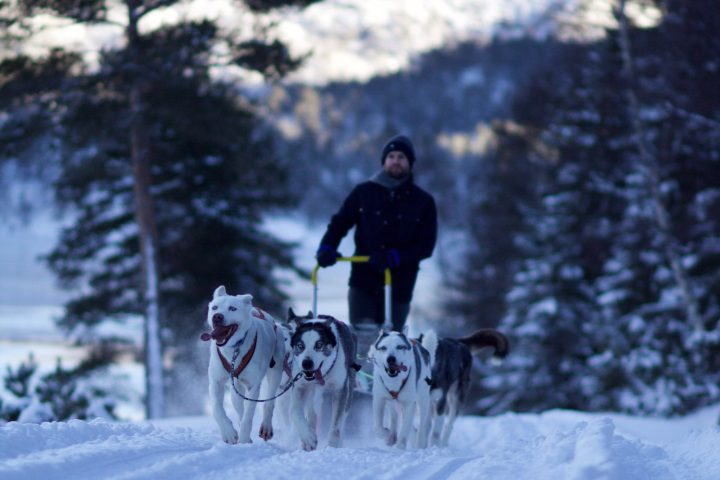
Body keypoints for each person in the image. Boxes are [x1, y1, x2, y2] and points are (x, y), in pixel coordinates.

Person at [315, 134, 437, 361]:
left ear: (410, 163)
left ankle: (388, 390)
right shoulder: (364, 193)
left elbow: (426, 245)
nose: (396, 161)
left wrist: (396, 257)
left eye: (401, 157)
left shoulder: (423, 202)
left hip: (399, 284)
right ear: (384, 161)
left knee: (391, 341)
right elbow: (340, 222)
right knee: (361, 339)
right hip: (364, 279)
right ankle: (360, 387)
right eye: (391, 156)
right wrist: (327, 247)